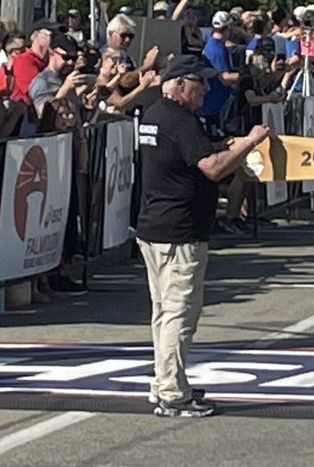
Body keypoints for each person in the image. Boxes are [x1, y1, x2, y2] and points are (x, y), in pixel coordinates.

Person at [135, 55, 272, 418]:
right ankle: (172, 392)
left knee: (164, 312)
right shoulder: (178, 120)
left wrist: (226, 143)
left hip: (156, 225)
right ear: (179, 83)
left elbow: (195, 153)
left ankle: (166, 380)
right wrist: (249, 142)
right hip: (178, 231)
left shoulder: (155, 114)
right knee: (180, 313)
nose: (206, 90)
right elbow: (211, 167)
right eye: (200, 83)